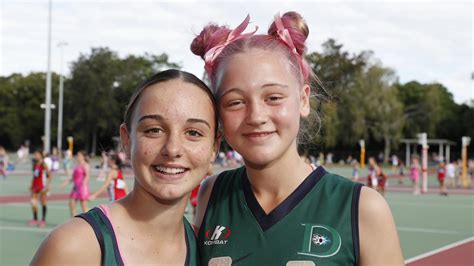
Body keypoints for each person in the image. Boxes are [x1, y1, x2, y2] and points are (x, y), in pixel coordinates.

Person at [191, 12, 403, 265]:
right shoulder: (211, 193)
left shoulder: (363, 207)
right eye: (235, 102)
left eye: (273, 97)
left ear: (303, 100)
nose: (256, 116)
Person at [31, 69, 218, 265]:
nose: (172, 149)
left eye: (194, 133)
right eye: (154, 130)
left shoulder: (207, 250)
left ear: (214, 146)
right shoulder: (74, 247)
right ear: (126, 140)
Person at [60, 151, 90, 216]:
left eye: (79, 155)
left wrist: (84, 185)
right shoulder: (77, 165)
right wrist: (65, 183)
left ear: (83, 157)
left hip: (82, 187)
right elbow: (73, 177)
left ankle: (89, 222)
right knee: (71, 204)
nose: (77, 157)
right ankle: (73, 220)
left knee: (84, 206)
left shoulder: (85, 165)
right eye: (77, 155)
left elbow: (87, 176)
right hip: (76, 187)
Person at [28, 150, 52, 228]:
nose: (36, 156)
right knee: (33, 203)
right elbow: (34, 176)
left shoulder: (43, 165)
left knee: (43, 202)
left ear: (41, 156)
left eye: (37, 155)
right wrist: (31, 185)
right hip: (35, 186)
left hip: (42, 186)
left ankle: (43, 220)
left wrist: (48, 185)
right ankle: (35, 219)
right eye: (35, 155)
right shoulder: (34, 164)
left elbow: (49, 175)